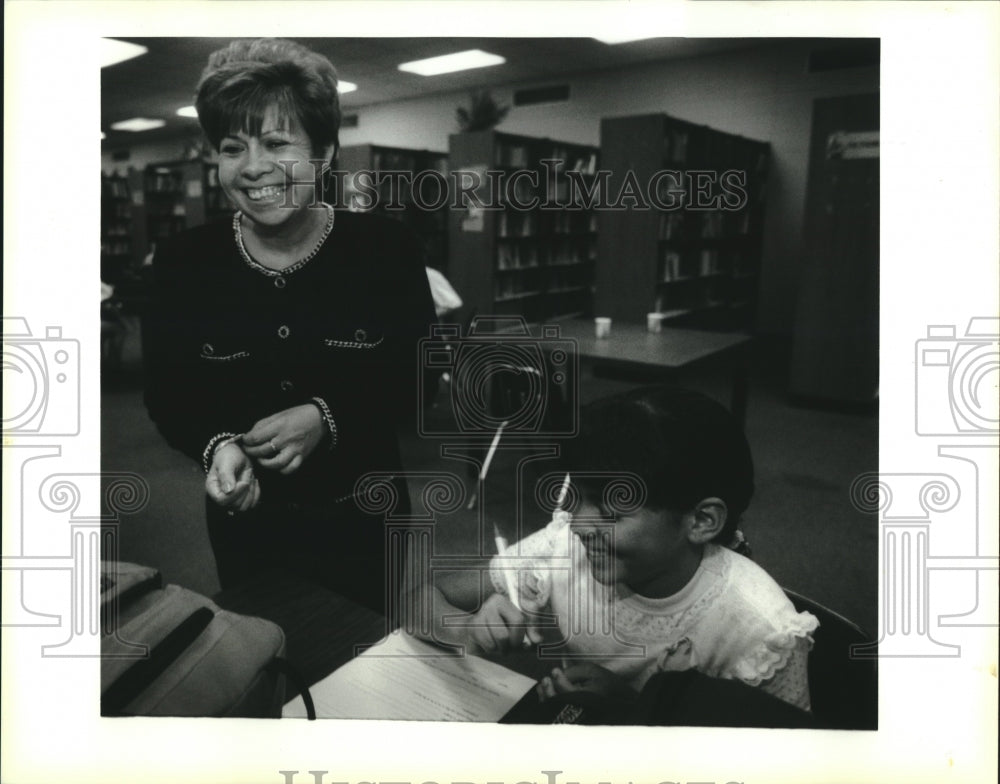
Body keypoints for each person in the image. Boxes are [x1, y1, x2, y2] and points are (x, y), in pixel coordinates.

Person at [143, 39, 437, 613]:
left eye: (278, 143)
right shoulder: (183, 262)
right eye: (233, 148)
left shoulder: (387, 250)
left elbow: (417, 378)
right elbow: (167, 392)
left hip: (363, 515)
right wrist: (216, 445)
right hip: (246, 521)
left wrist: (327, 418)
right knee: (263, 654)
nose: (253, 168)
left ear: (325, 153)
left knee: (358, 661)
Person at [410, 386, 819, 715]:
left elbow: (781, 760)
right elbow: (420, 598)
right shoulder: (564, 545)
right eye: (577, 498)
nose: (580, 524)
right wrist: (466, 629)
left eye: (611, 508)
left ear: (700, 521)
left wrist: (635, 710)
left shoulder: (758, 631)